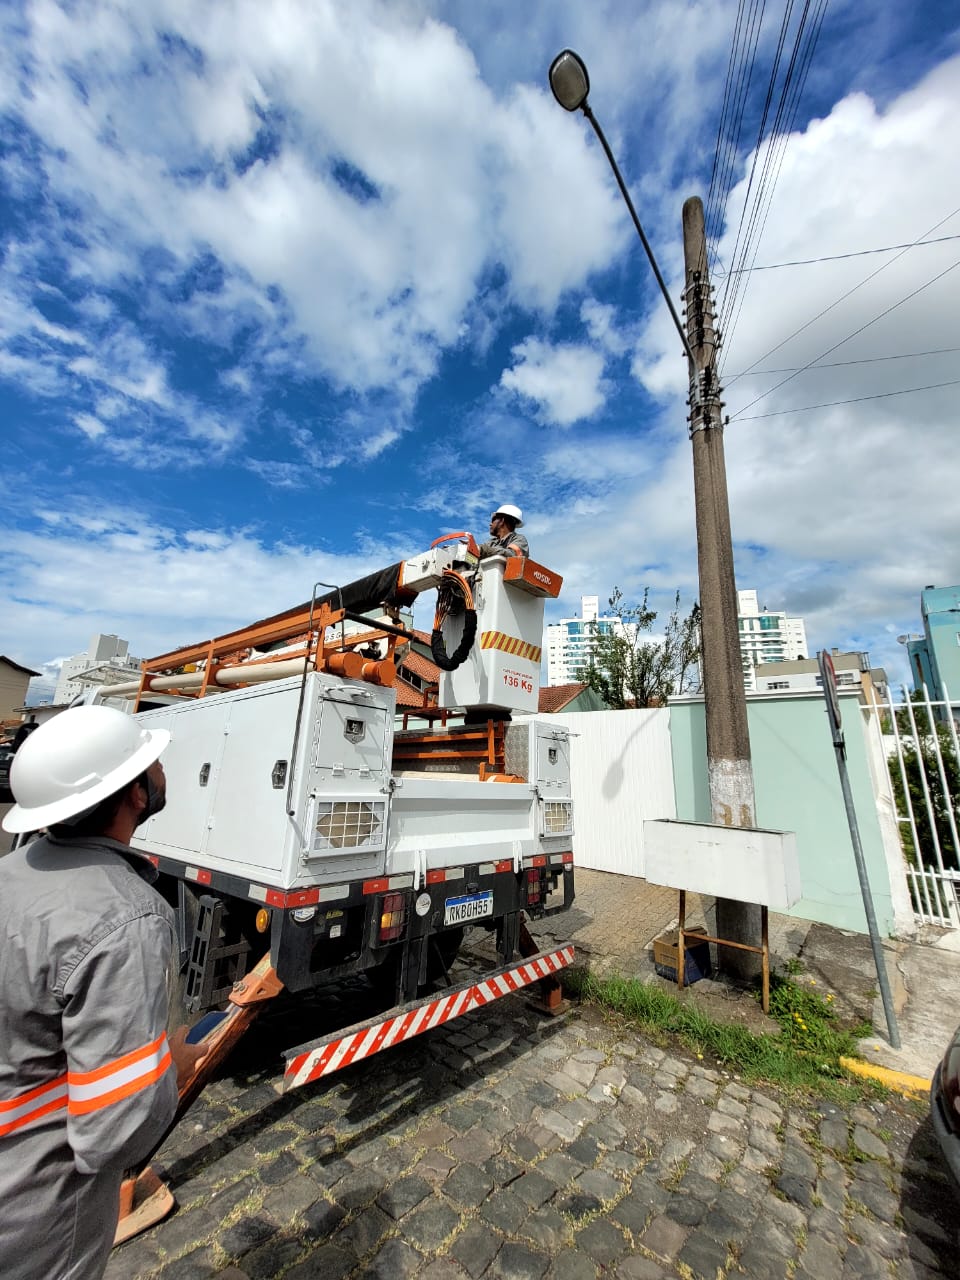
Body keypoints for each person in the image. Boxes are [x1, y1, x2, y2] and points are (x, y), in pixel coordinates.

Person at [0, 705, 206, 1280]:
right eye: (150, 761)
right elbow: (115, 1132)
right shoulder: (125, 916)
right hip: (37, 1211)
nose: (161, 768)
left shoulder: (11, 875)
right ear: (135, 794)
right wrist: (168, 1067)